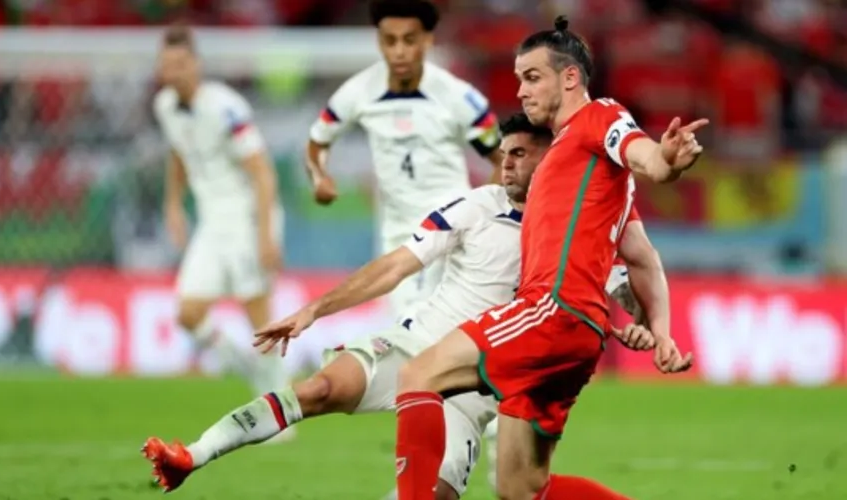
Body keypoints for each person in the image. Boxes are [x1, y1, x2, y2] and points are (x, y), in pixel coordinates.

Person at [137, 113, 659, 497]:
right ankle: (193, 455)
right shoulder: (478, 207)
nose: (506, 164)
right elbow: (397, 266)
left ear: (552, 158)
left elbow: (615, 298)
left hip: (475, 388)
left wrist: (640, 327)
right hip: (417, 345)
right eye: (503, 153)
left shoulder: (577, 232)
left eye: (520, 154)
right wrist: (315, 310)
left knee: (447, 494)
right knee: (319, 388)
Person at [381, 16, 708, 500]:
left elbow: (645, 155)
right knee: (521, 488)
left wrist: (664, 159)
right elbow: (641, 257)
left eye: (532, 77)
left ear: (570, 78)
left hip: (551, 311)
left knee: (417, 374)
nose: (521, 91)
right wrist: (661, 332)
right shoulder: (584, 167)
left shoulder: (597, 118)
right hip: (576, 333)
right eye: (517, 79)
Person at [306, 0, 504, 321]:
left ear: (427, 40)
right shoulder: (359, 91)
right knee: (424, 329)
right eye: (389, 40)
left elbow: (504, 160)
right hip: (394, 230)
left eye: (409, 40)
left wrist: (480, 212)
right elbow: (319, 141)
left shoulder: (458, 97)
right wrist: (319, 177)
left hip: (447, 225)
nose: (398, 51)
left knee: (414, 325)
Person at [151, 23, 290, 422]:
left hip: (246, 217)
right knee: (188, 313)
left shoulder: (226, 108)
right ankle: (249, 370)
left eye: (181, 63)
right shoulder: (164, 106)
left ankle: (281, 410)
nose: (174, 71)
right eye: (167, 65)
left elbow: (262, 173)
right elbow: (178, 153)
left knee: (260, 317)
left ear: (196, 65)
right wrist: (174, 205)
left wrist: (266, 235)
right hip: (212, 222)